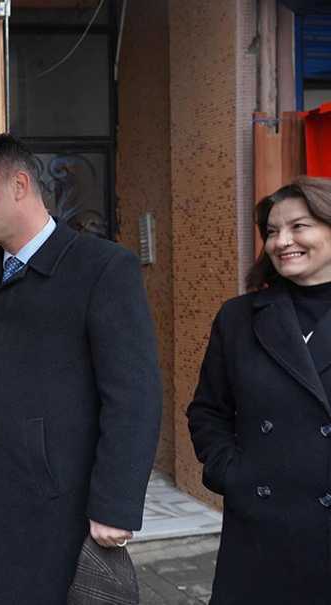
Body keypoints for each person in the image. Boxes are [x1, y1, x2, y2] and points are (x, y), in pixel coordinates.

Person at [0, 134, 162, 603]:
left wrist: (116, 502)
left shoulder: (102, 268)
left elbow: (134, 395)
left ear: (18, 184)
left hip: (51, 497)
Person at [187, 176, 331, 605]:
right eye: (271, 231)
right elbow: (207, 411)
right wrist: (232, 474)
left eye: (298, 226)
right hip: (262, 527)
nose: (281, 241)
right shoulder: (239, 317)